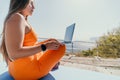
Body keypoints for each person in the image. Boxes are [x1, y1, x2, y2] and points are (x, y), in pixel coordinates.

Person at [0, 0, 66, 79]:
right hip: (25, 72)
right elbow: (14, 54)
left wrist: (48, 45)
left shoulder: (18, 18)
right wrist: (45, 47)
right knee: (61, 47)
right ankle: (50, 64)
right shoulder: (17, 18)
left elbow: (29, 45)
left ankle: (51, 63)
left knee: (52, 41)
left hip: (15, 69)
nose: (34, 7)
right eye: (31, 3)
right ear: (22, 3)